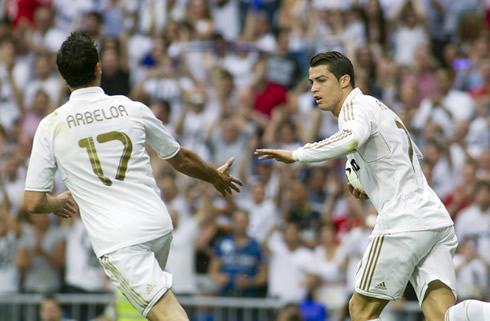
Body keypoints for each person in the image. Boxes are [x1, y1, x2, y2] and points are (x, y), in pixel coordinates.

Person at [255, 51, 490, 321]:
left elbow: (352, 138)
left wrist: (297, 154)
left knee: (360, 310)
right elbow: (401, 159)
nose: (314, 89)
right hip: (433, 218)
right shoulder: (378, 109)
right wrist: (367, 183)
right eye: (311, 82)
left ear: (345, 81)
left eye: (321, 80)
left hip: (404, 220)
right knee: (443, 316)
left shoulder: (355, 108)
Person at [23, 32, 243, 321]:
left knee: (169, 315)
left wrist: (56, 203)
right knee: (145, 313)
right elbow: (182, 159)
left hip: (120, 241)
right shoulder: (131, 108)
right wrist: (214, 176)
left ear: (62, 77)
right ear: (98, 68)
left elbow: (33, 202)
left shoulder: (51, 125)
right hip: (157, 224)